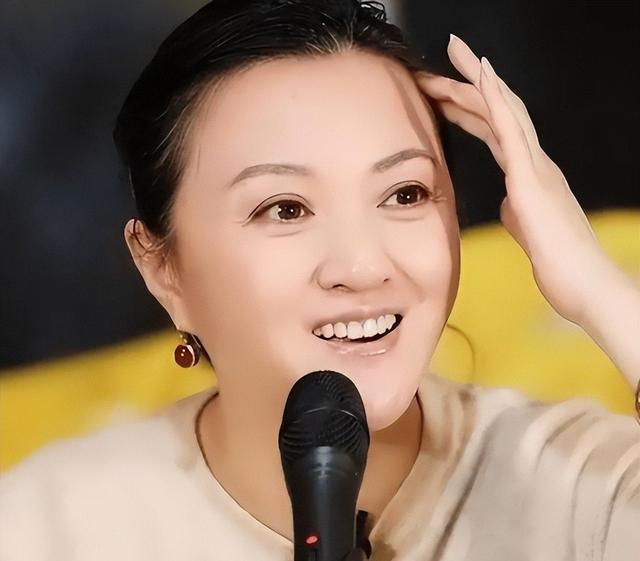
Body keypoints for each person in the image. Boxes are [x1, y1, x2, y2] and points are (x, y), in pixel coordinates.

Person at [1, 1, 638, 559]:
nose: (363, 267)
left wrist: (597, 289)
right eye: (285, 209)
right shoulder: (43, 527)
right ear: (163, 269)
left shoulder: (585, 488)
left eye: (405, 193)